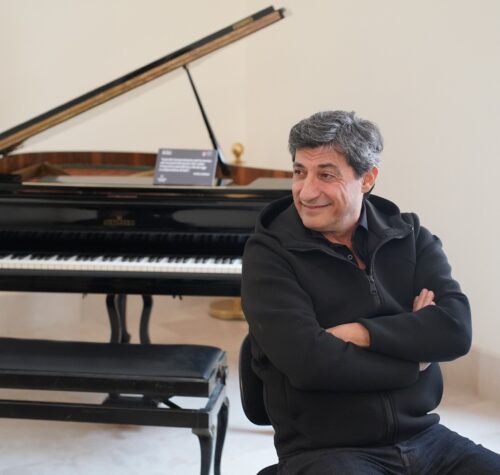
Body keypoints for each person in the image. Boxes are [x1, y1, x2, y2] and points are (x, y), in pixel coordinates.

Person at [241, 110, 500, 474]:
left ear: (367, 179)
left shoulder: (410, 236)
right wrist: (413, 361)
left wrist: (359, 333)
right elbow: (309, 364)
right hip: (326, 449)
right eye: (299, 172)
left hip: (424, 437)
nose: (306, 191)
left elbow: (455, 330)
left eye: (326, 175)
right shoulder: (268, 253)